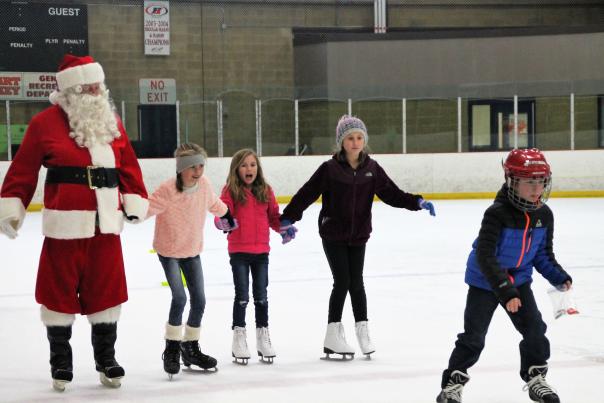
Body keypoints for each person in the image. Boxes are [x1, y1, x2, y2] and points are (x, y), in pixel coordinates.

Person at [0, 54, 148, 391]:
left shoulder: (111, 122)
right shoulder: (45, 123)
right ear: (73, 89)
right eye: (90, 87)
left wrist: (135, 197)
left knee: (107, 295)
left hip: (105, 226)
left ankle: (106, 361)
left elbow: (128, 166)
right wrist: (12, 207)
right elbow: (23, 169)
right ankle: (61, 364)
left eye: (99, 86)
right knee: (57, 296)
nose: (97, 92)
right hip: (63, 229)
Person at [279, 115, 435, 359]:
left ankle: (363, 329)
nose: (355, 142)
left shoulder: (371, 169)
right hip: (333, 233)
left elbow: (392, 194)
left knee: (357, 282)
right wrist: (288, 217)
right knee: (342, 281)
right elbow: (307, 193)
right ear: (341, 142)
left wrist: (417, 201)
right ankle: (333, 334)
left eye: (359, 137)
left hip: (359, 234)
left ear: (365, 141)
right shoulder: (329, 169)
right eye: (350, 138)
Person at [436, 148, 572, 403]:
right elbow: (485, 256)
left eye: (540, 181)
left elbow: (543, 254)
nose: (536, 188)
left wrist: (559, 276)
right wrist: (505, 290)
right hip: (486, 281)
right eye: (528, 182)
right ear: (512, 181)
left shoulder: (544, 215)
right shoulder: (497, 214)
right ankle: (452, 384)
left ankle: (536, 378)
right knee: (474, 337)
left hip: (519, 281)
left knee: (535, 331)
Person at [146, 143, 236, 378]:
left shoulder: (204, 186)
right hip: (169, 252)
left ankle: (190, 348)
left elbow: (214, 203)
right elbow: (147, 207)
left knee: (199, 300)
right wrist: (125, 213)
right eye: (192, 167)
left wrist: (226, 215)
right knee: (179, 297)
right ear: (181, 169)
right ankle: (172, 348)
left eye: (201, 166)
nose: (198, 171)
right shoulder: (167, 190)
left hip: (192, 251)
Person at [216, 148, 284, 364]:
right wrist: (222, 222)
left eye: (253, 165)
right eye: (244, 165)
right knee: (242, 297)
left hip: (261, 252)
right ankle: (239, 338)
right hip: (239, 252)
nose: (249, 169)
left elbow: (274, 217)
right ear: (237, 169)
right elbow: (222, 214)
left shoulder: (265, 190)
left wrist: (284, 227)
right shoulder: (230, 191)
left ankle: (263, 337)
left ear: (258, 168)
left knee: (262, 297)